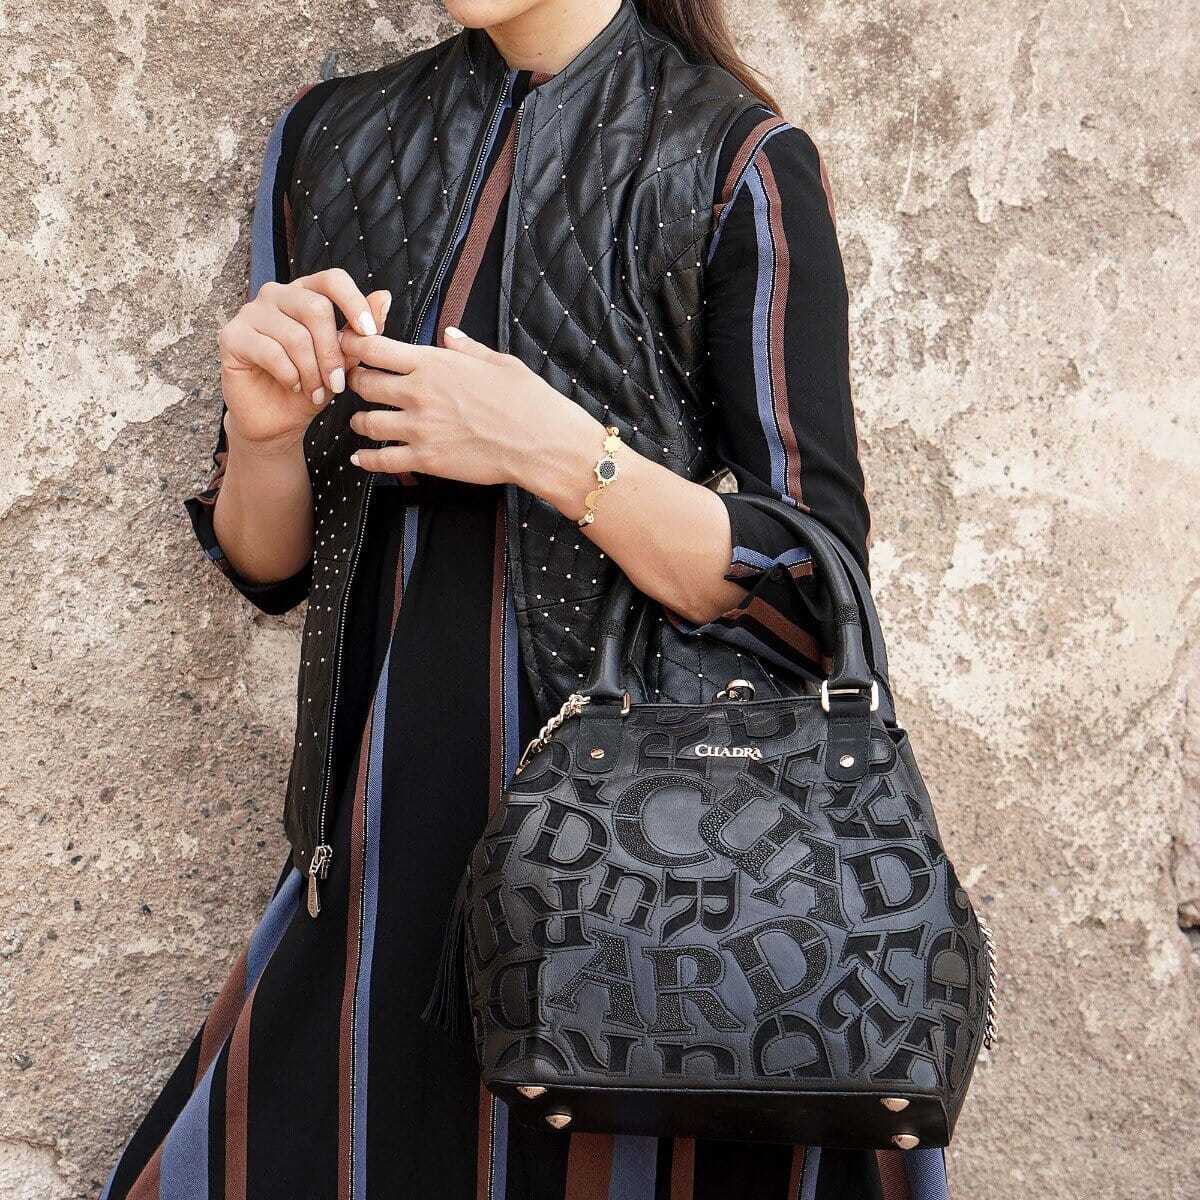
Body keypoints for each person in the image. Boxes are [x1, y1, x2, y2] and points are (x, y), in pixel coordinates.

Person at [99, 2, 949, 1197]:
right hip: (382, 850)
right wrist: (266, 433)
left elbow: (809, 584)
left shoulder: (734, 161)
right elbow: (269, 563)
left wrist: (555, 452)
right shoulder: (332, 138)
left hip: (645, 891)